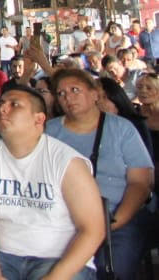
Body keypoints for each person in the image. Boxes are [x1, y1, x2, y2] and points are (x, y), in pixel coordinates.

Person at [0, 84, 104, 280]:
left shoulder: (68, 162)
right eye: (2, 104)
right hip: (4, 256)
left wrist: (54, 277)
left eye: (15, 105)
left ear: (39, 119)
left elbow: (93, 230)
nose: (3, 109)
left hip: (58, 258)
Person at [46, 68, 153, 280]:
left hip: (114, 216)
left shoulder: (122, 129)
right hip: (61, 219)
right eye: (61, 93)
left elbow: (140, 183)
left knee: (111, 268)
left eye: (75, 90)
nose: (68, 97)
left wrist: (114, 222)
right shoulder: (49, 131)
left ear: (95, 94)